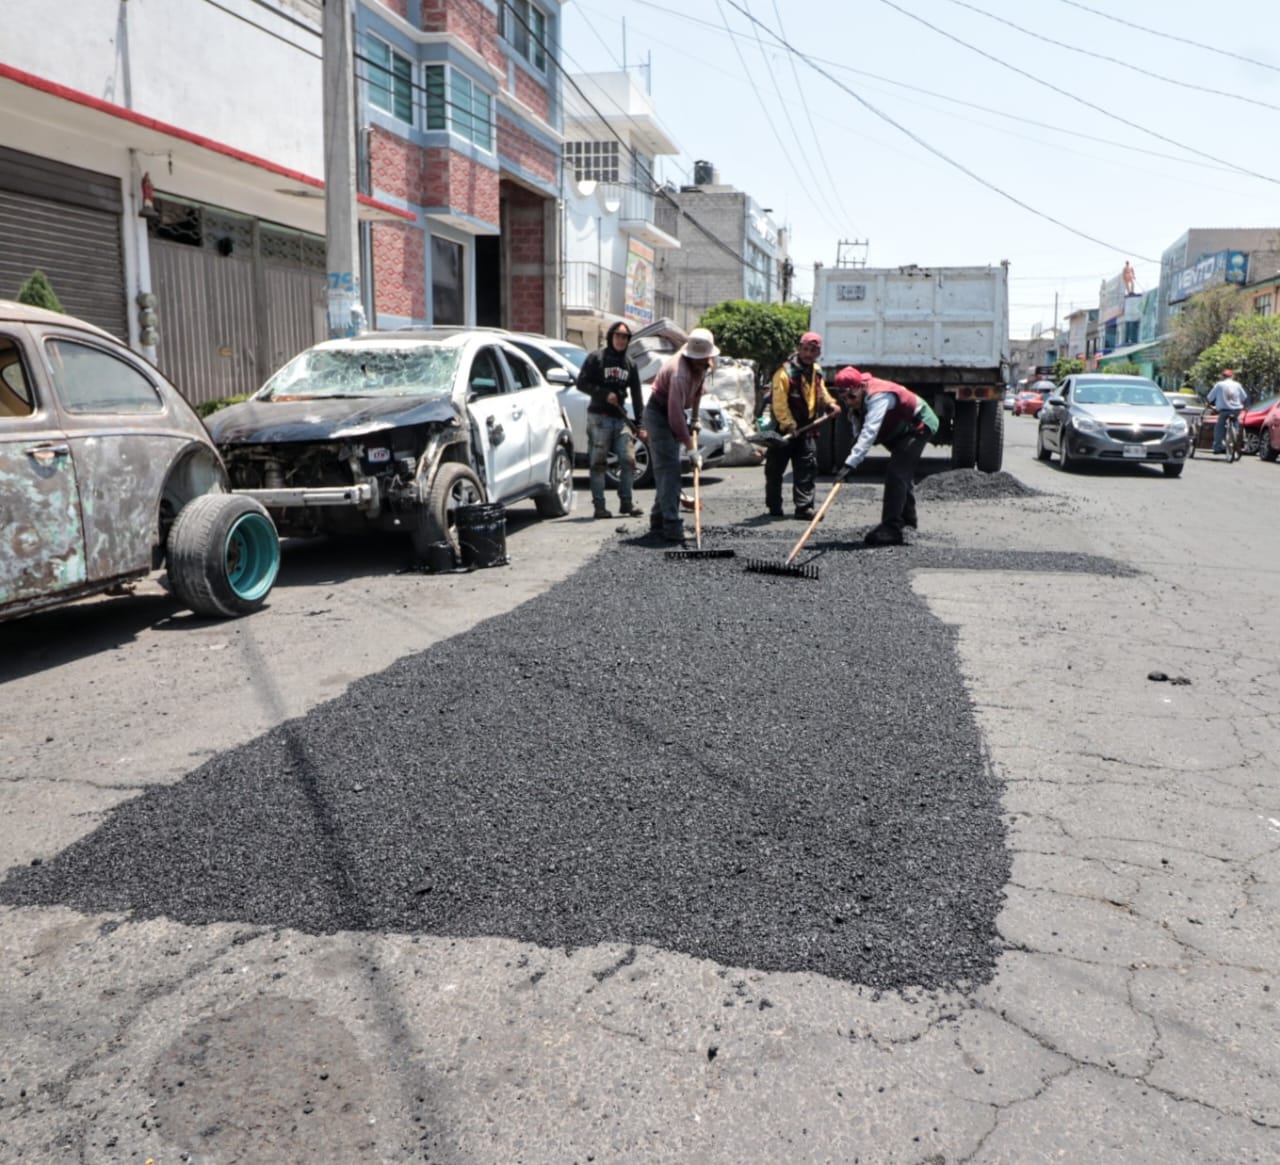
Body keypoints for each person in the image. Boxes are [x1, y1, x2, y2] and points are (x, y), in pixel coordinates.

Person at [831, 366, 939, 546]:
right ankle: (908, 521)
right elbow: (858, 432)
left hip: (918, 424)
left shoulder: (879, 396)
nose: (848, 402)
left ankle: (891, 528)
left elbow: (870, 432)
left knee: (896, 472)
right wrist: (849, 461)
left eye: (851, 397)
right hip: (898, 429)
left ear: (860, 386)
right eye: (844, 399)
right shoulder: (856, 402)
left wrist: (851, 464)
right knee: (902, 472)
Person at [643, 327, 718, 544]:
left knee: (668, 471)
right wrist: (692, 449)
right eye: (701, 360)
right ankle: (672, 527)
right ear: (692, 357)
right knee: (670, 470)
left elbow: (697, 393)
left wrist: (695, 419)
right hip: (658, 413)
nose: (705, 363)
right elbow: (675, 416)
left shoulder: (703, 365)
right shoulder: (680, 374)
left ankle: (658, 521)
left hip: (671, 411)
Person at [764, 331, 840, 519]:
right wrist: (789, 425)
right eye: (805, 349)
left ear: (818, 353)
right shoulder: (784, 373)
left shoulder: (816, 371)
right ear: (799, 349)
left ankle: (804, 507)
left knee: (807, 468)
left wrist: (830, 403)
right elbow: (779, 404)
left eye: (812, 351)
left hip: (806, 429)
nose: (808, 354)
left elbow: (820, 391)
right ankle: (774, 506)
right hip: (783, 431)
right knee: (775, 470)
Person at [576, 320, 646, 519]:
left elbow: (637, 396)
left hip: (620, 419)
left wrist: (640, 424)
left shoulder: (630, 364)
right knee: (598, 463)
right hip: (599, 418)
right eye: (618, 335)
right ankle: (599, 506)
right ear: (610, 336)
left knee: (629, 460)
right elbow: (581, 383)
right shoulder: (596, 358)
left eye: (625, 337)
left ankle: (627, 502)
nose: (621, 340)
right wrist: (603, 394)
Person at [1206, 369, 1248, 455]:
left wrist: (1208, 403)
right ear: (1232, 376)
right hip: (1236, 410)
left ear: (1223, 376)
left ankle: (1217, 447)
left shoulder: (1219, 385)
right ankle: (1235, 438)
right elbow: (1244, 397)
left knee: (1219, 426)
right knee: (1236, 422)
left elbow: (1209, 397)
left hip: (1224, 410)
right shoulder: (1237, 385)